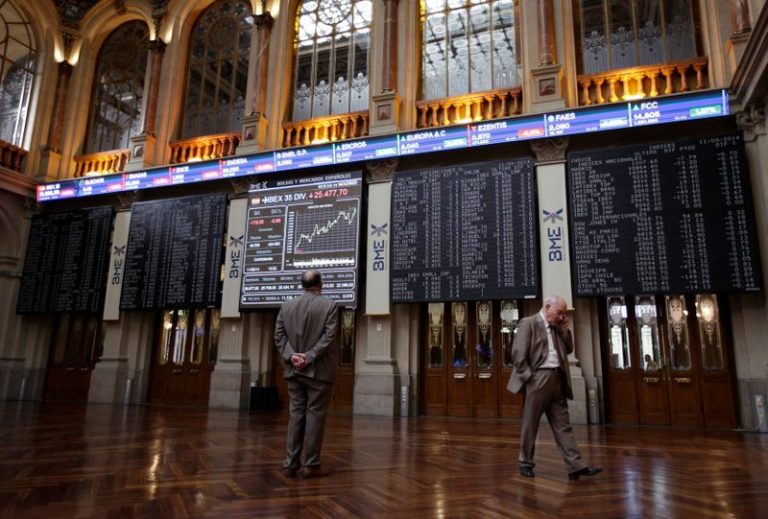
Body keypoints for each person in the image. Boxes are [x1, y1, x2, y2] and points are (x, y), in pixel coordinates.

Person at [506, 295, 602, 480]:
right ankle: (525, 462)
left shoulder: (558, 326)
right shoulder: (529, 323)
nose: (561, 316)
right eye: (559, 312)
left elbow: (568, 349)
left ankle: (576, 466)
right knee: (530, 423)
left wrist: (565, 330)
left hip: (558, 378)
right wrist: (529, 378)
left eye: (563, 314)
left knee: (563, 425)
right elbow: (518, 354)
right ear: (547, 307)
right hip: (538, 378)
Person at [274, 269, 338, 479]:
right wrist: (309, 357)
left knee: (295, 416)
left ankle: (290, 464)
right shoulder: (329, 306)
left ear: (303, 285)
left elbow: (279, 336)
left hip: (293, 371)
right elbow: (328, 337)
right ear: (321, 285)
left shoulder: (287, 306)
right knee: (315, 417)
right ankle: (310, 465)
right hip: (318, 373)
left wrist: (292, 356)